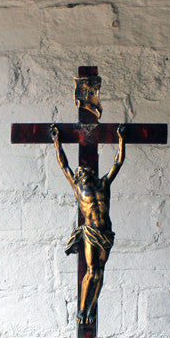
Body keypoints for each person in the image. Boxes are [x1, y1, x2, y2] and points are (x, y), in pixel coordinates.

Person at [50, 123, 126, 324]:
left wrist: (121, 139)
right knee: (91, 271)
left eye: (84, 174)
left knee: (100, 272)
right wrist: (57, 141)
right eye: (80, 175)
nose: (82, 176)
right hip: (91, 233)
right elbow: (63, 165)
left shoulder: (103, 184)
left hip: (106, 233)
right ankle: (82, 309)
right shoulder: (78, 189)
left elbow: (118, 163)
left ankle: (92, 307)